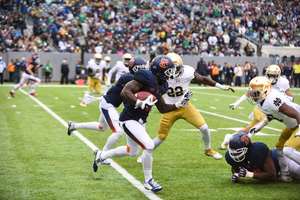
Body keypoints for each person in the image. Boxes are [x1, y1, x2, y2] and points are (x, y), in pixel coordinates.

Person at [92, 56, 193, 192]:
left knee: (132, 152)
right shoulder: (145, 77)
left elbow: (162, 108)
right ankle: (148, 180)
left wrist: (179, 103)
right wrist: (139, 102)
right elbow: (125, 92)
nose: (172, 73)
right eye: (169, 71)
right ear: (160, 71)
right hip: (128, 119)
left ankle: (101, 155)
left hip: (140, 120)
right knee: (149, 145)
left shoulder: (163, 85)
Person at [136, 53, 235, 163]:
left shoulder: (187, 72)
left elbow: (203, 79)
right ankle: (145, 154)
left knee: (204, 128)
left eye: (179, 67)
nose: (178, 70)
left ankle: (208, 149)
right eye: (175, 68)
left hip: (185, 106)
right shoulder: (160, 77)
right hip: (169, 108)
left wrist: (222, 86)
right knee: (161, 137)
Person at [68, 57, 148, 165]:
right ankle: (102, 154)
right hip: (108, 104)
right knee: (118, 132)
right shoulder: (128, 77)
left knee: (102, 127)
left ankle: (74, 126)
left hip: (108, 103)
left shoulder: (130, 76)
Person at [222, 64, 294, 150]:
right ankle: (242, 144)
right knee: (262, 122)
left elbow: (291, 98)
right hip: (262, 106)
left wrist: (284, 96)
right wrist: (236, 103)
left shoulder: (283, 82)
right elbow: (249, 93)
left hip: (272, 108)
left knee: (247, 130)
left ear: (278, 75)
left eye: (273, 75)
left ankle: (230, 138)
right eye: (269, 75)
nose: (271, 77)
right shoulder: (262, 81)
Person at [246, 76, 300, 182]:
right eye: (252, 93)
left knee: (288, 150)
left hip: (298, 120)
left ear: (264, 91)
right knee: (279, 149)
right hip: (292, 125)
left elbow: (296, 114)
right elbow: (271, 115)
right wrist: (259, 126)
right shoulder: (261, 102)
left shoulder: (272, 99)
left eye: (255, 93)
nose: (253, 96)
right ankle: (285, 176)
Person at [226, 132, 300, 183]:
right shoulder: (232, 156)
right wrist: (236, 175)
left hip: (284, 163)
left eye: (238, 151)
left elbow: (272, 175)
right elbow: (235, 168)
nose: (235, 155)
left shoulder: (258, 150)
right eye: (233, 151)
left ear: (247, 149)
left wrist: (249, 174)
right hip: (280, 175)